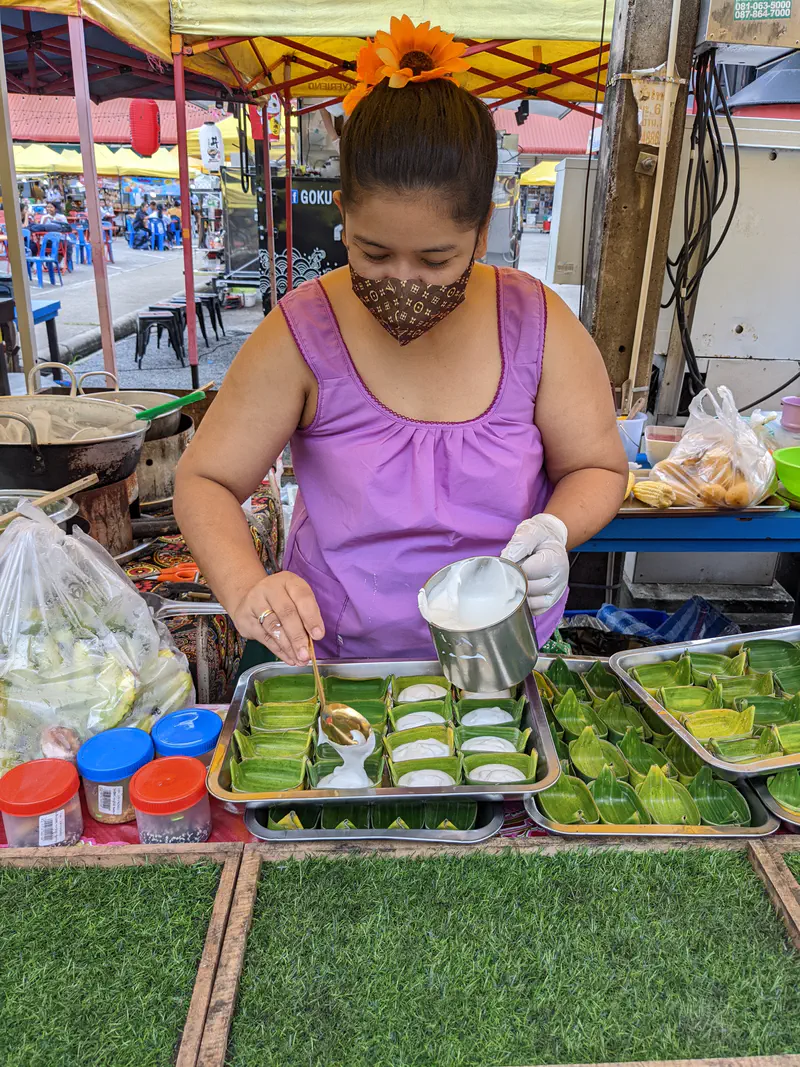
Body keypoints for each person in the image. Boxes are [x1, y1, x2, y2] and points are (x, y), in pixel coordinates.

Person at [174, 16, 628, 668]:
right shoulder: (302, 332)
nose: (404, 281)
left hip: (499, 655)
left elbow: (598, 466)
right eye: (374, 251)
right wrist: (249, 588)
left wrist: (556, 530)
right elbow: (207, 480)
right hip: (337, 665)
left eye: (437, 258)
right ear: (343, 215)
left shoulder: (538, 325)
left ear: (482, 230)